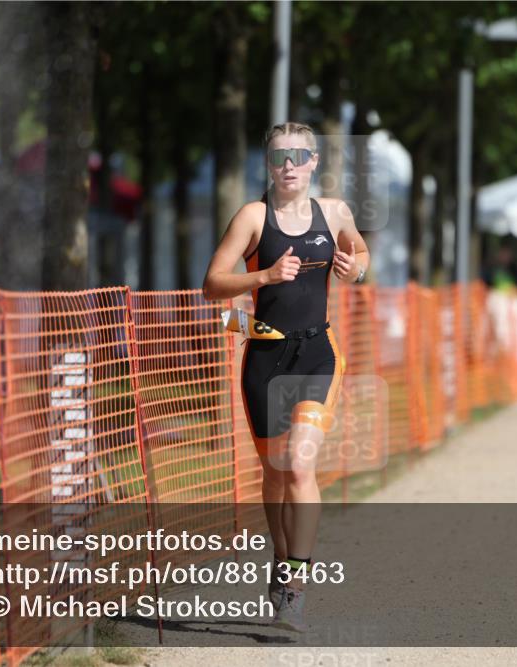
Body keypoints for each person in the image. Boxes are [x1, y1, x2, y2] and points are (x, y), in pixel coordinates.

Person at [202, 122, 370, 632]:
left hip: (318, 352)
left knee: (299, 465)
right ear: (268, 164)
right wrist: (265, 276)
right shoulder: (253, 217)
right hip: (265, 356)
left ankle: (296, 583)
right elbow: (212, 283)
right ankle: (281, 559)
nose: (289, 165)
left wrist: (354, 266)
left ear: (314, 161)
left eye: (299, 155)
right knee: (275, 474)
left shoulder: (335, 211)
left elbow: (360, 252)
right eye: (280, 157)